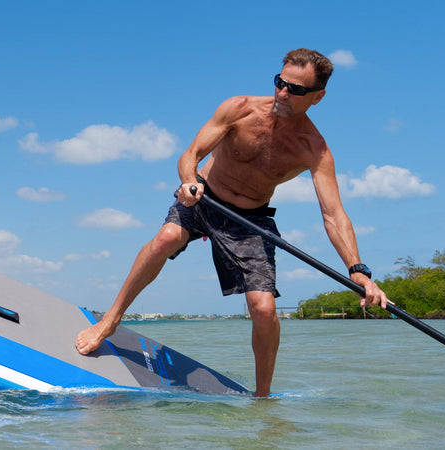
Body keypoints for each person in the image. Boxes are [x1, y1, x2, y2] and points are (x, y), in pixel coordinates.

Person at [74, 49, 391, 397]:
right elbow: (191, 154)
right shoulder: (239, 108)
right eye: (280, 83)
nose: (283, 93)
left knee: (264, 309)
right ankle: (111, 320)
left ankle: (263, 397)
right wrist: (188, 180)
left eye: (296, 90)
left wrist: (357, 270)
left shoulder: (314, 149)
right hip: (203, 196)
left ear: (317, 97)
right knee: (166, 238)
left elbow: (333, 214)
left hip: (249, 220)